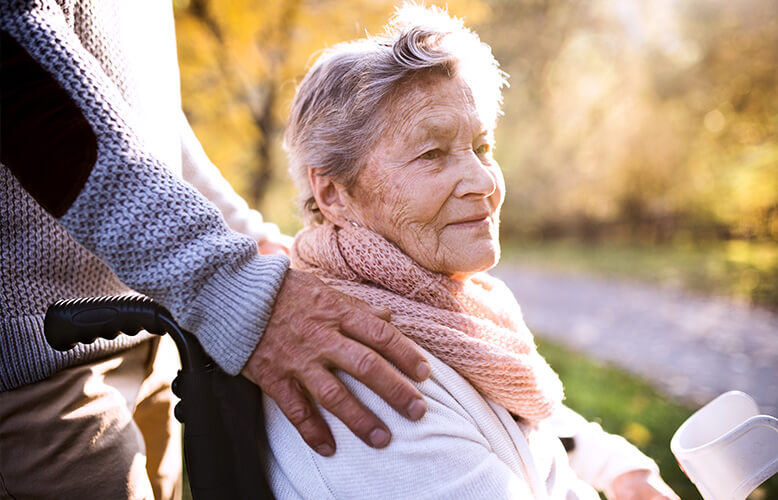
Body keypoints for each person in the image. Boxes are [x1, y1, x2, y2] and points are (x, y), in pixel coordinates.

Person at [0, 1, 431, 498]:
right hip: (39, 361)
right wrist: (224, 281)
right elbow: (25, 77)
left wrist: (247, 237)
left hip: (154, 334)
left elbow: (134, 111)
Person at [264, 5, 681, 499]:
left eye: (482, 147)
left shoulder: (439, 307)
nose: (484, 182)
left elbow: (517, 424)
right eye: (432, 154)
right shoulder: (363, 370)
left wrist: (614, 465)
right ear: (333, 193)